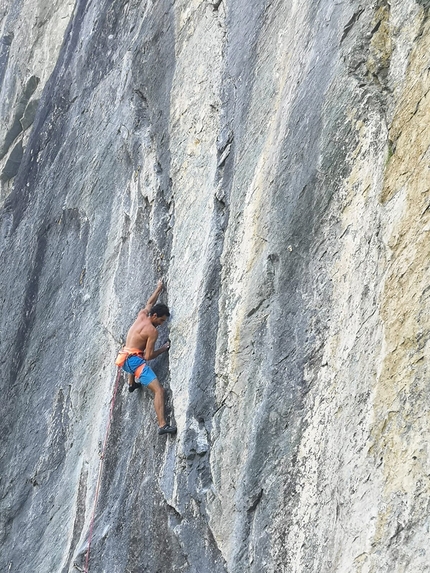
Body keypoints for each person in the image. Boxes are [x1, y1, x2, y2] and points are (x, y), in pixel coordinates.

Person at [115, 280, 177, 435]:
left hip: (124, 360)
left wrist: (159, 288)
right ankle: (163, 426)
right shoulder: (152, 331)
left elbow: (150, 302)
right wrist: (163, 348)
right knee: (159, 391)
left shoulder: (142, 315)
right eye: (161, 320)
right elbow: (148, 356)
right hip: (135, 363)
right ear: (155, 316)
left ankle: (131, 384)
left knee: (137, 350)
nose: (161, 324)